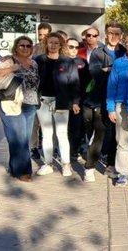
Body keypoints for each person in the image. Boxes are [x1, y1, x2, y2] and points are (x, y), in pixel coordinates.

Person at [0, 36, 40, 182]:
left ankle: (14, 168)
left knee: (22, 138)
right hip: (10, 102)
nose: (25, 48)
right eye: (22, 45)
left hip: (30, 103)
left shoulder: (34, 63)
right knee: (19, 137)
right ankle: (24, 171)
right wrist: (12, 68)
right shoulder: (8, 60)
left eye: (28, 46)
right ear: (16, 47)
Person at [34, 32, 81, 177]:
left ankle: (66, 164)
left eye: (56, 43)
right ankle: (48, 164)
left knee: (62, 134)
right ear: (46, 44)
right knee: (47, 134)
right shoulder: (39, 60)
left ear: (61, 45)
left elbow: (74, 83)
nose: (53, 45)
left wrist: (75, 102)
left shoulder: (67, 61)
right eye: (50, 42)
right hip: (43, 101)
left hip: (61, 102)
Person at [103, 31, 128, 186]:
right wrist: (110, 108)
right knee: (123, 143)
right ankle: (123, 173)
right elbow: (112, 86)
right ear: (125, 44)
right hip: (122, 107)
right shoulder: (119, 63)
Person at [89, 22, 127, 177]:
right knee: (102, 133)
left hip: (123, 98)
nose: (114, 36)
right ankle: (89, 166)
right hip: (103, 97)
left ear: (121, 36)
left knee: (117, 135)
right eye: (111, 33)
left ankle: (111, 164)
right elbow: (95, 74)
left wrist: (108, 70)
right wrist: (115, 70)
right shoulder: (98, 53)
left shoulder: (125, 51)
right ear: (106, 34)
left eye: (117, 34)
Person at [66, 38, 92, 164]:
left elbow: (89, 81)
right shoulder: (60, 61)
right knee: (62, 129)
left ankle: (74, 151)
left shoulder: (82, 62)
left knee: (77, 128)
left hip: (80, 100)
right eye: (71, 47)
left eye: (76, 47)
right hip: (63, 101)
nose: (74, 50)